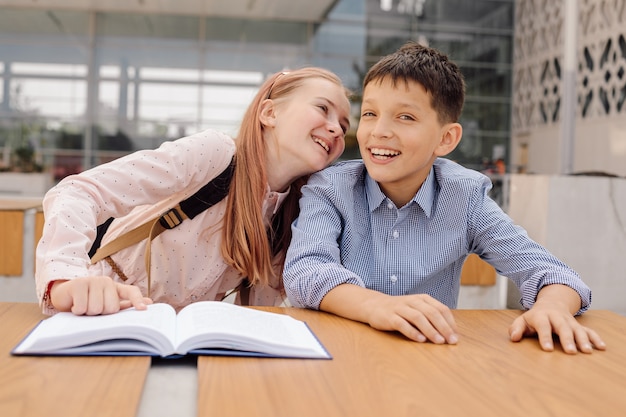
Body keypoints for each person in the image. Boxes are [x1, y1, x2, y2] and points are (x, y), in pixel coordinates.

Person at [283, 42, 606, 354]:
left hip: (427, 359)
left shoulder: (464, 198)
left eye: (405, 117)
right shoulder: (330, 188)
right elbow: (306, 271)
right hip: (337, 353)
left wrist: (552, 308)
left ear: (446, 138)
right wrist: (376, 305)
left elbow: (554, 274)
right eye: (369, 113)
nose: (379, 130)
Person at [36, 67, 351, 316]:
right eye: (323, 109)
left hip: (181, 342)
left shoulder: (295, 213)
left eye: (344, 125)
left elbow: (259, 311)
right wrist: (66, 281)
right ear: (269, 113)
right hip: (101, 311)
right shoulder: (215, 155)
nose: (336, 128)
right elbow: (78, 191)